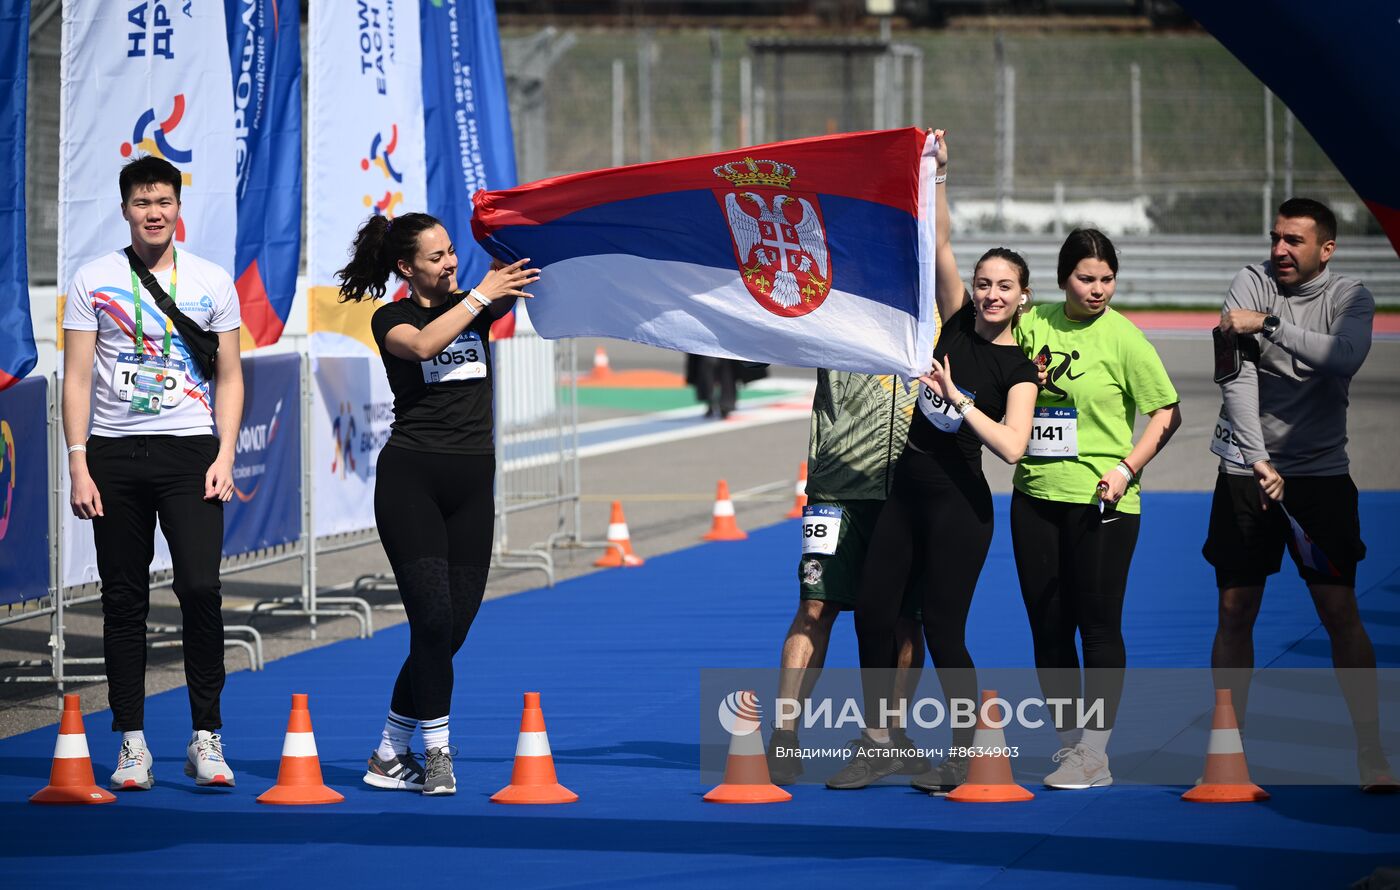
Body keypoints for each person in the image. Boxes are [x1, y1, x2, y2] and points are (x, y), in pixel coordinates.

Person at [841, 131, 1040, 794]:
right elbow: (944, 243)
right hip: (907, 490)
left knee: (944, 631)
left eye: (1003, 287)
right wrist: (941, 173)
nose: (989, 293)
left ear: (1023, 298)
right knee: (873, 611)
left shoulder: (1018, 368)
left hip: (962, 508)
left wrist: (960, 401)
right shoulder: (954, 321)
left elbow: (1013, 447)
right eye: (984, 284)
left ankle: (965, 750)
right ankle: (878, 742)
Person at [336, 212, 538, 796]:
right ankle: (438, 751)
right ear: (406, 267)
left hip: (473, 485)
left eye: (451, 251)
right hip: (411, 483)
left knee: (451, 629)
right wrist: (480, 294)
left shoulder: (474, 303)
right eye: (435, 257)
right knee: (431, 620)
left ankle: (387, 750)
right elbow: (426, 342)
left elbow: (529, 271)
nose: (450, 263)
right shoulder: (393, 318)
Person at [63, 155, 245, 790]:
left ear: (178, 208)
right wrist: (78, 461)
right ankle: (132, 742)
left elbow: (230, 374)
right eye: (143, 203)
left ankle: (206, 736)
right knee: (123, 600)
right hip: (114, 454)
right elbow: (78, 377)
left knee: (200, 587)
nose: (154, 213)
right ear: (125, 210)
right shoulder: (93, 278)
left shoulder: (212, 280)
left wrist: (225, 455)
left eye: (164, 201)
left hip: (191, 453)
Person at [1208, 197, 1396, 792]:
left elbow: (1344, 358)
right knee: (1236, 610)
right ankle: (1228, 749)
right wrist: (1258, 458)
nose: (1279, 250)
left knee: (1339, 610)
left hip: (1320, 478)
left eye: (1293, 241)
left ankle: (1371, 750)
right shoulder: (1248, 280)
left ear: (1327, 249)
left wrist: (1268, 325)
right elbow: (1236, 381)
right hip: (1246, 471)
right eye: (1275, 238)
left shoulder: (1352, 297)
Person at [1011, 227, 1182, 789]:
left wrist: (1126, 468)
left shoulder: (1125, 339)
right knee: (1049, 627)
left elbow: (1166, 412)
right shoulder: (1032, 324)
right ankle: (1070, 748)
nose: (1099, 289)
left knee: (1098, 625)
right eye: (1087, 278)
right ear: (1063, 279)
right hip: (1034, 496)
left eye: (1108, 279)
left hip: (1102, 502)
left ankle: (1097, 751)